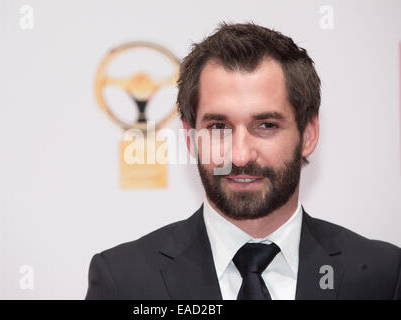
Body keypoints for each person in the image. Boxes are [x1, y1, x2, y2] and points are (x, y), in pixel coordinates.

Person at [85, 22, 401, 300]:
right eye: (218, 127)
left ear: (308, 134)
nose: (239, 155)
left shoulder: (383, 276)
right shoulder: (124, 282)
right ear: (190, 138)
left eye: (266, 125)